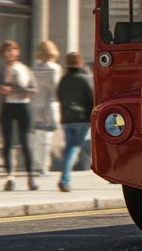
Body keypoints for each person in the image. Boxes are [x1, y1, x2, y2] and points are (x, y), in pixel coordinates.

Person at [0, 40, 37, 191]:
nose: (10, 53)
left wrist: (13, 89)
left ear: (17, 52)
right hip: (7, 106)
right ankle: (10, 177)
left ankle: (31, 177)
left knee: (25, 142)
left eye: (13, 50)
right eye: (7, 51)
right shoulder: (0, 70)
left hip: (23, 106)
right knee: (7, 142)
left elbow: (32, 89)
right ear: (3, 53)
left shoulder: (24, 69)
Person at [56, 52, 94, 193]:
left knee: (71, 147)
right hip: (82, 118)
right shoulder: (85, 79)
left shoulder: (63, 80)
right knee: (76, 147)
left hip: (67, 119)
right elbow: (92, 98)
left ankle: (65, 178)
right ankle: (65, 180)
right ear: (80, 62)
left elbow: (59, 96)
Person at [30, 40, 61, 177]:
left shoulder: (35, 67)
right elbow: (55, 88)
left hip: (36, 104)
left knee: (37, 137)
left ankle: (36, 165)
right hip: (49, 105)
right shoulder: (54, 68)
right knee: (47, 139)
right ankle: (43, 166)